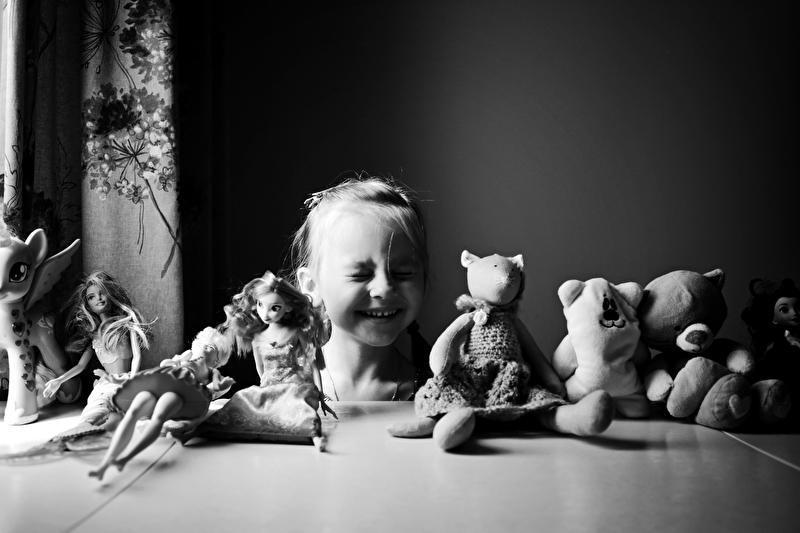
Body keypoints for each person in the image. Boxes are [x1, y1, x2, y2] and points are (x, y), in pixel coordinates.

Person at [289, 174, 431, 401]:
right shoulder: (286, 386)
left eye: (403, 272)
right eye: (360, 274)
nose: (384, 289)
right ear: (312, 285)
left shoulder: (434, 392)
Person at [89, 327, 234, 480]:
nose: (203, 347)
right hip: (160, 384)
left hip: (181, 392)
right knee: (132, 413)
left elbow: (212, 391)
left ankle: (126, 458)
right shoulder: (185, 360)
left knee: (159, 417)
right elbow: (162, 366)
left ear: (217, 360)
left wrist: (216, 386)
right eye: (202, 344)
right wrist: (177, 361)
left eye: (210, 347)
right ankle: (105, 463)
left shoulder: (212, 373)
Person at [44, 270, 151, 426]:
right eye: (91, 297)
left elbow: (137, 356)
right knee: (96, 405)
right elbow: (80, 366)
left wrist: (132, 379)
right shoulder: (93, 336)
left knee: (142, 406)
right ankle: (86, 427)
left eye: (102, 293)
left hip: (128, 379)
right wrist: (59, 380)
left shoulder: (125, 324)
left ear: (111, 294)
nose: (98, 298)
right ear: (88, 305)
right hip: (106, 383)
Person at [224, 270, 325, 387]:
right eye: (260, 304)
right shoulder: (257, 338)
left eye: (274, 308)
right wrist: (266, 388)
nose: (265, 314)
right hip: (269, 387)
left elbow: (312, 363)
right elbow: (260, 368)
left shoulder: (295, 332)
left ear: (288, 307)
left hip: (293, 386)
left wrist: (320, 393)